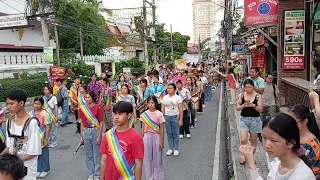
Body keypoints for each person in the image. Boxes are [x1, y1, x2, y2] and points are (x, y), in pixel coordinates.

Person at [240, 113, 315, 180]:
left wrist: (252, 165)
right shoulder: (277, 165)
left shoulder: (302, 176)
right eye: (264, 138)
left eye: (273, 140)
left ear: (291, 143)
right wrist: (251, 164)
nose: (266, 145)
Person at [1, 88, 41, 180]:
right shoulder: (9, 122)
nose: (8, 107)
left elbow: (34, 152)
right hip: (11, 170)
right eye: (7, 104)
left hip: (27, 171)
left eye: (11, 104)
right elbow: (9, 147)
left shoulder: (32, 123)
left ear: (21, 103)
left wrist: (12, 162)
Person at [100, 101, 144, 180]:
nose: (116, 117)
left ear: (129, 115)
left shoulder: (135, 137)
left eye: (120, 114)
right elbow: (104, 160)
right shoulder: (108, 135)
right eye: (115, 114)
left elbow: (138, 164)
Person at [236, 79, 263, 165]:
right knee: (243, 140)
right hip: (244, 119)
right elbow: (237, 108)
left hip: (255, 120)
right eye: (246, 87)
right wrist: (244, 105)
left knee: (253, 140)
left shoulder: (258, 96)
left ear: (253, 87)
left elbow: (261, 109)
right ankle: (243, 156)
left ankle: (251, 156)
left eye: (250, 87)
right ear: (244, 88)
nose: (248, 89)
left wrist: (253, 105)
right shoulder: (241, 96)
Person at [289, 104, 320, 176]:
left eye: (293, 122)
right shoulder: (290, 136)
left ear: (305, 121)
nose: (289, 124)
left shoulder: (313, 145)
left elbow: (315, 171)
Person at [79, 91, 104, 180]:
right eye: (85, 97)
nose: (87, 99)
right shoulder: (82, 109)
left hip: (95, 130)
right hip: (86, 131)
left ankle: (97, 174)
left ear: (93, 98)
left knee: (97, 154)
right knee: (88, 154)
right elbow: (82, 122)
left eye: (89, 97)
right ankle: (91, 173)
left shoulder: (98, 108)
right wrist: (81, 136)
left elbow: (101, 122)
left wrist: (99, 135)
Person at [141, 96, 165, 180]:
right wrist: (141, 139)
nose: (151, 105)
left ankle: (158, 176)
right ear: (147, 104)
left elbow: (162, 129)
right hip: (147, 137)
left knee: (157, 157)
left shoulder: (159, 114)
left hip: (156, 136)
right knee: (147, 158)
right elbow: (143, 128)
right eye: (149, 103)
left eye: (152, 103)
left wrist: (162, 142)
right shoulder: (144, 115)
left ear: (155, 104)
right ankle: (149, 176)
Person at [29, 97, 52, 178]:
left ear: (42, 105)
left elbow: (48, 127)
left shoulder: (45, 114)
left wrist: (46, 139)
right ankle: (38, 169)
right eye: (35, 103)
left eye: (38, 104)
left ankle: (46, 169)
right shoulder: (30, 114)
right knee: (36, 154)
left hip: (42, 137)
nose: (36, 105)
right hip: (33, 138)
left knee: (44, 153)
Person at [162, 83, 183, 156]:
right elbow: (163, 108)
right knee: (169, 134)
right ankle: (170, 148)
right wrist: (163, 118)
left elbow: (180, 109)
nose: (169, 90)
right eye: (168, 88)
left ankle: (176, 149)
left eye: (170, 88)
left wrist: (180, 120)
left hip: (175, 117)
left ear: (174, 90)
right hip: (167, 117)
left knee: (176, 134)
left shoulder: (178, 98)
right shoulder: (165, 97)